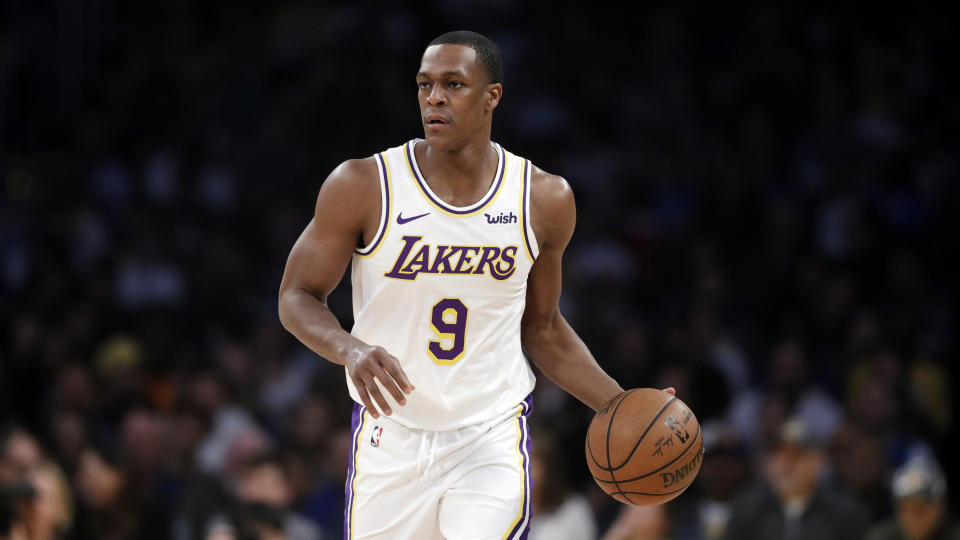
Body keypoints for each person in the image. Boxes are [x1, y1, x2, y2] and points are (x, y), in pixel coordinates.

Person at [278, 30, 669, 539]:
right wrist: (348, 349)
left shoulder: (543, 199)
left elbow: (543, 328)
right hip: (391, 435)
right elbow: (296, 295)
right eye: (424, 85)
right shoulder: (364, 185)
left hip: (488, 434)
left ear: (492, 96)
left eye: (453, 84)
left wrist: (620, 404)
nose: (434, 98)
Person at [722, 417, 867, 540]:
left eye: (795, 457)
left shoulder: (843, 512)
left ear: (818, 464)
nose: (786, 465)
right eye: (779, 456)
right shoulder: (748, 508)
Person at [867, 457, 960, 540]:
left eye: (919, 509)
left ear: (940, 505)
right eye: (903, 509)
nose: (910, 518)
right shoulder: (882, 536)